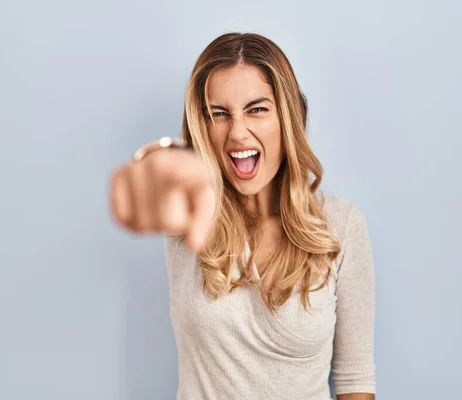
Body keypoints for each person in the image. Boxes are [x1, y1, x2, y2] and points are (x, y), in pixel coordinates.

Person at [109, 32, 376, 400]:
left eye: (257, 109)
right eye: (218, 114)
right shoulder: (190, 216)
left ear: (288, 116)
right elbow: (155, 181)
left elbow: (355, 382)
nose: (237, 132)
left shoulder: (341, 225)